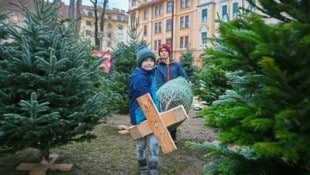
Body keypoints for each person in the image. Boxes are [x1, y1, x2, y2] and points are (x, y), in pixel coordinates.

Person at [128, 45, 160, 175]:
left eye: (151, 60)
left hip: (153, 113)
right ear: (140, 62)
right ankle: (142, 163)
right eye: (146, 60)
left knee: (154, 142)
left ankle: (153, 165)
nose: (149, 63)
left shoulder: (150, 74)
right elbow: (144, 97)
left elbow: (153, 96)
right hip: (140, 115)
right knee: (141, 143)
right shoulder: (139, 77)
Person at [155, 43, 189, 143]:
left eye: (165, 51)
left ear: (169, 52)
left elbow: (183, 77)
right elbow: (157, 80)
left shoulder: (176, 65)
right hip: (162, 93)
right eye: (161, 51)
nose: (164, 53)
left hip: (175, 94)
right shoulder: (157, 66)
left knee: (173, 114)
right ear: (159, 54)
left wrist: (185, 84)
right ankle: (163, 137)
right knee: (162, 113)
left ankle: (173, 137)